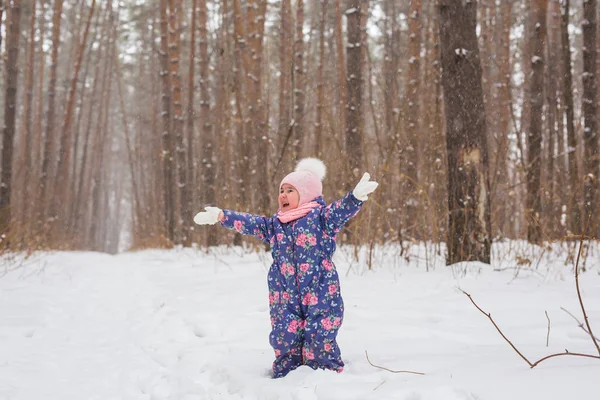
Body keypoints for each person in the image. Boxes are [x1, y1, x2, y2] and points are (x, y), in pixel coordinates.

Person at [193, 158, 378, 378]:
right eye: (281, 190)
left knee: (319, 333)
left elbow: (340, 210)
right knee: (284, 334)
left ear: (307, 193)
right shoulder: (275, 224)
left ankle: (323, 374)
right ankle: (286, 375)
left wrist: (354, 198)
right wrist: (222, 216)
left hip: (319, 289)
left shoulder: (321, 218)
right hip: (284, 292)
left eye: (290, 190)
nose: (283, 195)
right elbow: (251, 222)